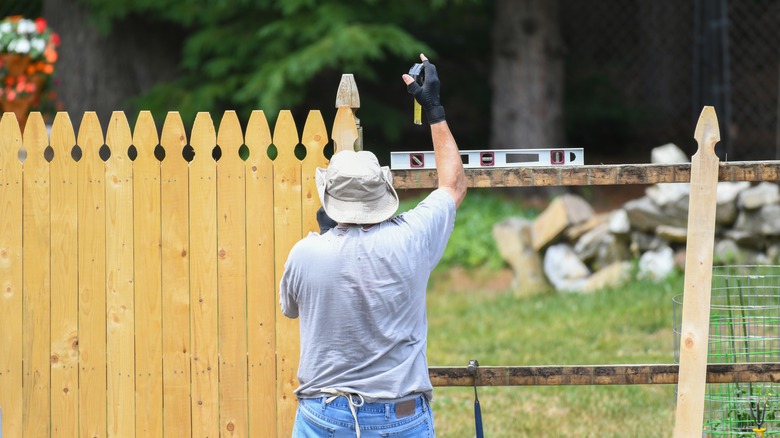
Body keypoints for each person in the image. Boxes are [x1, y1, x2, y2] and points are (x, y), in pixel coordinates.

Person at [280, 54, 467, 437]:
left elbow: (289, 309)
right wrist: (432, 107)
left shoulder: (306, 253)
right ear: (384, 193)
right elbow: (453, 184)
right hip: (401, 418)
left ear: (329, 201)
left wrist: (327, 237)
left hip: (324, 416)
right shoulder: (413, 238)